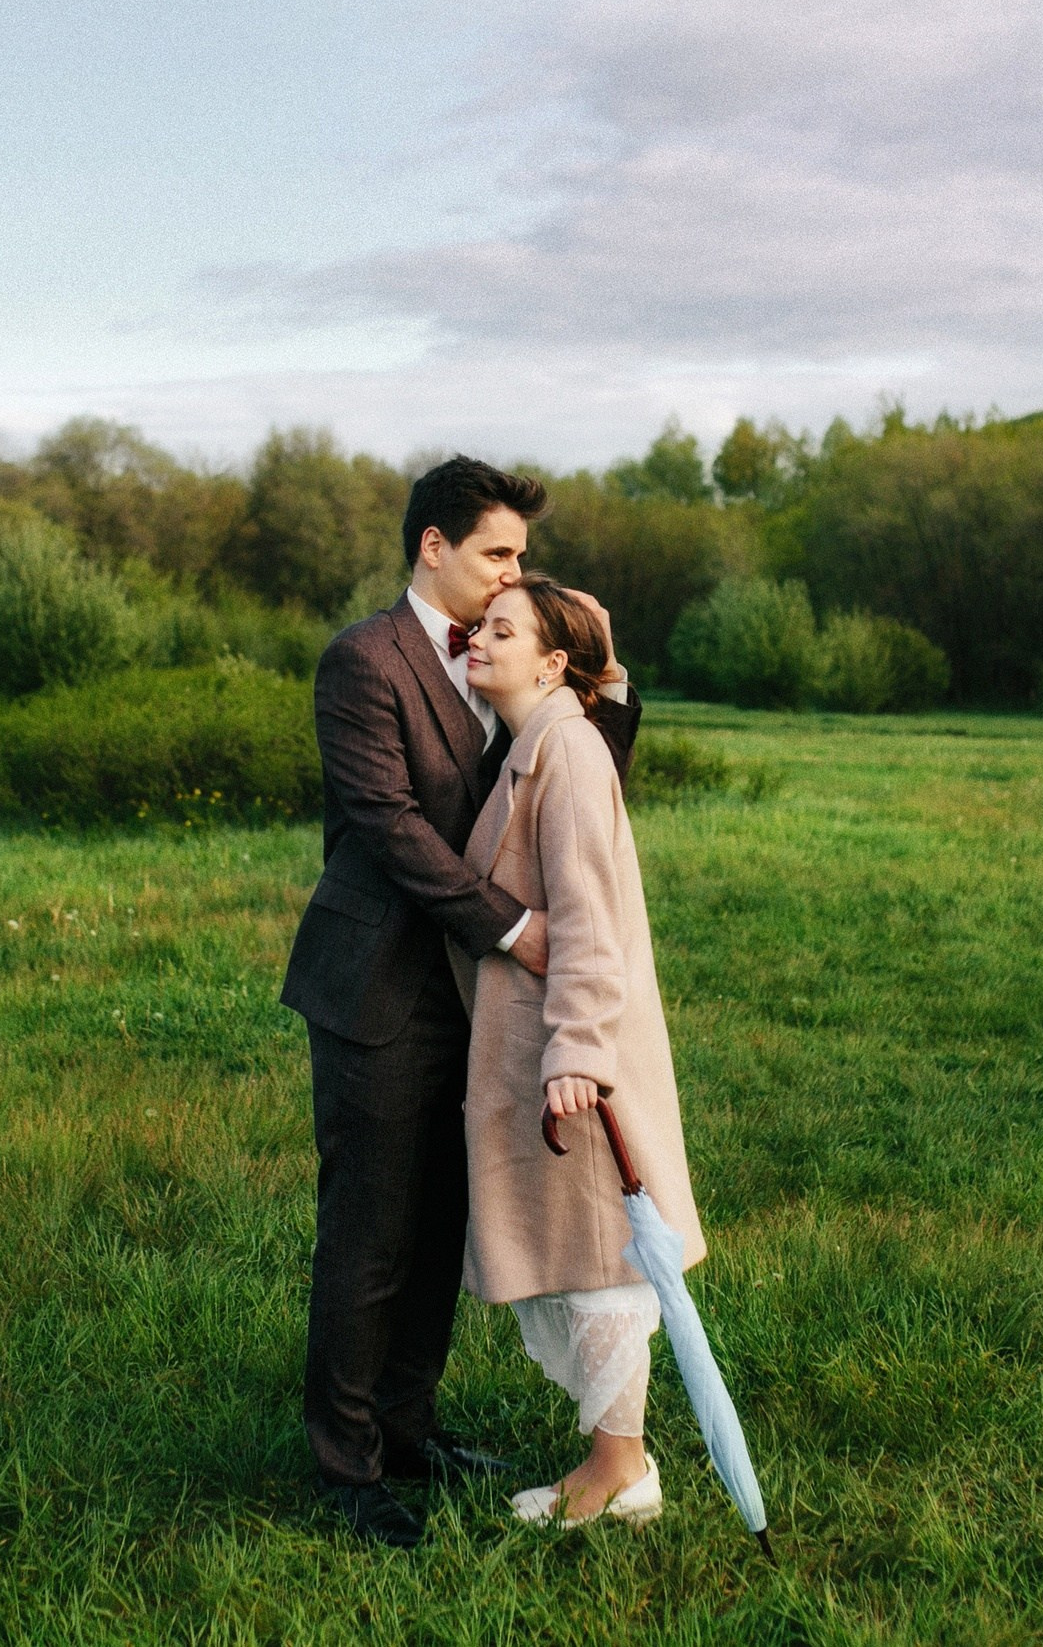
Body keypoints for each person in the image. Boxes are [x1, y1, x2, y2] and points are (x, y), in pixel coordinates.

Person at [279, 459, 640, 1549]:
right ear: (430, 546)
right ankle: (345, 1470)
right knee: (369, 1233)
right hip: (379, 988)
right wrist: (519, 931)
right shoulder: (363, 661)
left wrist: (607, 679)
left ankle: (407, 1428)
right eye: (495, 553)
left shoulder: (510, 658)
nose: (512, 575)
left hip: (470, 1001)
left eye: (520, 558)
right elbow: (390, 830)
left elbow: (584, 776)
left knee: (441, 1221)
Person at [452, 575, 706, 1528]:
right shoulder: (540, 743)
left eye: (502, 629)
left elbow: (590, 918)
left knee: (604, 1255)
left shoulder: (569, 750)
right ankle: (614, 1458)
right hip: (541, 1043)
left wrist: (577, 1055)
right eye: (479, 624)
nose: (479, 637)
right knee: (585, 1249)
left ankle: (619, 1468)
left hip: (573, 1053)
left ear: (554, 663)